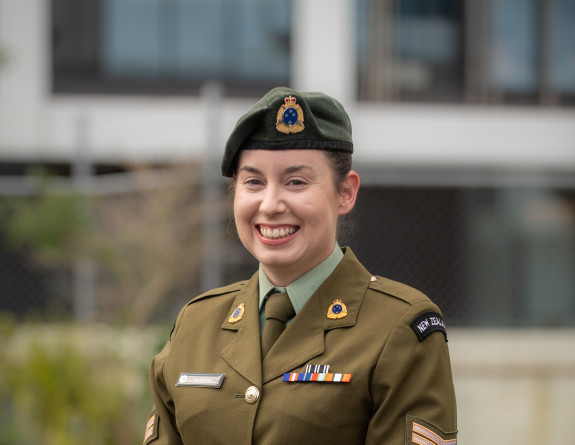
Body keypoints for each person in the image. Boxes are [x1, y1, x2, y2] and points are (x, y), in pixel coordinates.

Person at [144, 87, 457, 445]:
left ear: (345, 193)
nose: (271, 204)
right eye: (253, 182)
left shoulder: (400, 330)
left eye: (296, 182)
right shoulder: (195, 323)